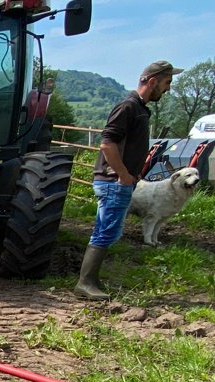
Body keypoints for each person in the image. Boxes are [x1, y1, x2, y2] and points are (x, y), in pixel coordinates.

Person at [75, 60, 182, 300]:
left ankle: (90, 280)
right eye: (167, 83)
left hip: (122, 181)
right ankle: (85, 283)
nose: (168, 89)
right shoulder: (128, 106)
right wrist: (123, 174)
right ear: (152, 81)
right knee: (106, 231)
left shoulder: (140, 108)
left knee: (109, 230)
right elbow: (107, 143)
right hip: (114, 181)